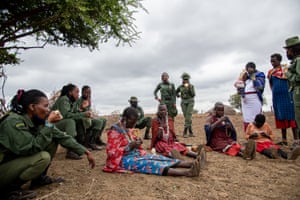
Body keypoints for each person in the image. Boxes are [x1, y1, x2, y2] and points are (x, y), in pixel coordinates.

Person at [0, 89, 95, 200]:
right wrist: (48, 125)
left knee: (51, 139)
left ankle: (39, 179)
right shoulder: (13, 121)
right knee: (43, 157)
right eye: (45, 106)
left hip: (12, 162)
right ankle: (8, 190)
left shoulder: (36, 120)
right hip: (3, 166)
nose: (48, 110)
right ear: (32, 107)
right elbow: (30, 148)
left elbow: (61, 136)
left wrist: (85, 151)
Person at [103, 107, 206, 177]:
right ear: (125, 119)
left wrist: (137, 142)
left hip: (135, 154)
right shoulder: (114, 131)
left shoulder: (126, 127)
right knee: (151, 164)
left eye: (135, 123)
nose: (134, 125)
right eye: (132, 122)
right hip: (123, 160)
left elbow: (131, 141)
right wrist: (130, 146)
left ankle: (192, 163)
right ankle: (188, 172)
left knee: (158, 158)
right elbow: (112, 153)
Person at [52, 83, 101, 160]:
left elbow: (76, 112)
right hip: (53, 124)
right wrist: (84, 114)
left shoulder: (71, 101)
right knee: (70, 121)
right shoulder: (64, 99)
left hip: (60, 123)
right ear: (70, 92)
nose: (78, 94)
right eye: (77, 92)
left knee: (78, 120)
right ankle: (70, 150)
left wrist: (83, 110)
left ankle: (81, 144)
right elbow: (66, 115)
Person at [267, 53, 298, 148]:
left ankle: (296, 139)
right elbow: (271, 84)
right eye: (271, 61)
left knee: (291, 116)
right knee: (280, 116)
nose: (272, 63)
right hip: (277, 97)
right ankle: (284, 139)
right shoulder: (270, 72)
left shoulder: (286, 70)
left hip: (287, 95)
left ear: (279, 60)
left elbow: (291, 81)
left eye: (274, 61)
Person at [284, 36, 300, 149]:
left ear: (293, 49)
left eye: (288, 50)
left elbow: (298, 77)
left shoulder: (298, 60)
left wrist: (288, 74)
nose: (287, 53)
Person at [241, 62, 266, 131]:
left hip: (255, 98)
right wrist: (243, 80)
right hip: (245, 100)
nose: (248, 71)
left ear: (254, 69)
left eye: (249, 69)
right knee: (247, 118)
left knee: (256, 116)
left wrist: (252, 75)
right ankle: (249, 136)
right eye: (247, 70)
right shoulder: (245, 77)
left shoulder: (260, 75)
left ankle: (258, 134)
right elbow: (240, 87)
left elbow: (260, 87)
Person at [176, 73, 196, 137]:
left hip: (190, 101)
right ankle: (190, 132)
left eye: (187, 79)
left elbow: (193, 94)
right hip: (183, 102)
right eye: (184, 79)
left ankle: (185, 131)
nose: (186, 80)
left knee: (188, 116)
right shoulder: (180, 87)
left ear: (189, 80)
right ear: (182, 80)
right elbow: (176, 92)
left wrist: (189, 88)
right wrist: (178, 95)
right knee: (187, 117)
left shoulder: (191, 86)